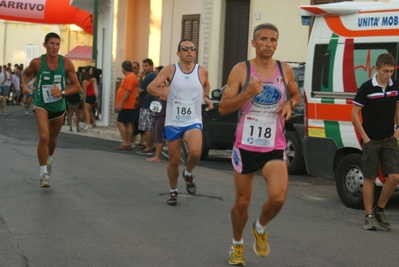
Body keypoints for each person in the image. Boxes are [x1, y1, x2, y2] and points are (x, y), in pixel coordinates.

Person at [218, 23, 301, 265]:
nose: (268, 44)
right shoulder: (240, 70)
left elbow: (296, 95)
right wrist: (247, 94)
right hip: (245, 146)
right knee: (242, 203)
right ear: (254, 43)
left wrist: (290, 104)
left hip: (274, 145)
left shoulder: (285, 71)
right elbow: (223, 107)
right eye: (263, 39)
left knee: (278, 198)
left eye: (273, 40)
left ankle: (260, 227)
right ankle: (237, 245)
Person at [147, 39, 213, 206]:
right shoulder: (171, 70)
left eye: (192, 49)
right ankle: (173, 190)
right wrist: (163, 93)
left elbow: (206, 86)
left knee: (196, 152)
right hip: (173, 121)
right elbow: (150, 87)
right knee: (174, 161)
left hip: (193, 119)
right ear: (179, 53)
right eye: (185, 49)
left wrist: (206, 97)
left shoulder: (202, 71)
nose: (190, 52)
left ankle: (188, 173)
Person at [21, 32, 80, 187]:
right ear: (45, 45)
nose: (55, 47)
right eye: (52, 44)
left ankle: (49, 159)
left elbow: (77, 86)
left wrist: (62, 92)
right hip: (41, 104)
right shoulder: (37, 63)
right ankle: (43, 174)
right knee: (44, 137)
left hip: (59, 106)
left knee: (52, 140)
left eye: (57, 44)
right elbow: (25, 74)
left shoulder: (66, 64)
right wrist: (24, 85)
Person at [351, 53, 399, 232]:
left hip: (389, 139)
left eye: (391, 71)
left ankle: (380, 209)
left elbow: (397, 108)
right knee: (370, 178)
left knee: (394, 177)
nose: (389, 75)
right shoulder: (366, 88)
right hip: (371, 139)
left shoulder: (395, 86)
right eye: (385, 71)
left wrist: (397, 129)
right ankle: (369, 216)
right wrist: (365, 137)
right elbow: (354, 114)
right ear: (376, 69)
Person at [115, 60, 138, 150]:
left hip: (126, 105)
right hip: (129, 105)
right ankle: (128, 142)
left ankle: (125, 143)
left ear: (123, 69)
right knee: (127, 124)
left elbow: (128, 91)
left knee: (120, 123)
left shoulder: (130, 77)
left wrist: (120, 104)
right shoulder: (132, 76)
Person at [136, 58, 157, 155]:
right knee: (150, 126)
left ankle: (148, 147)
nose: (144, 68)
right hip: (152, 104)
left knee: (147, 127)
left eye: (146, 66)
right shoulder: (154, 76)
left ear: (151, 66)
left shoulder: (149, 76)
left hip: (147, 104)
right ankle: (150, 146)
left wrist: (139, 78)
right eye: (143, 66)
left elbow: (139, 90)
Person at [147, 80, 167, 162]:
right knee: (158, 135)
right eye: (159, 87)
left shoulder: (166, 96)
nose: (161, 88)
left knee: (159, 136)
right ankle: (157, 155)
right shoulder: (159, 96)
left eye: (163, 87)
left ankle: (157, 156)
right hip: (158, 117)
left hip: (162, 118)